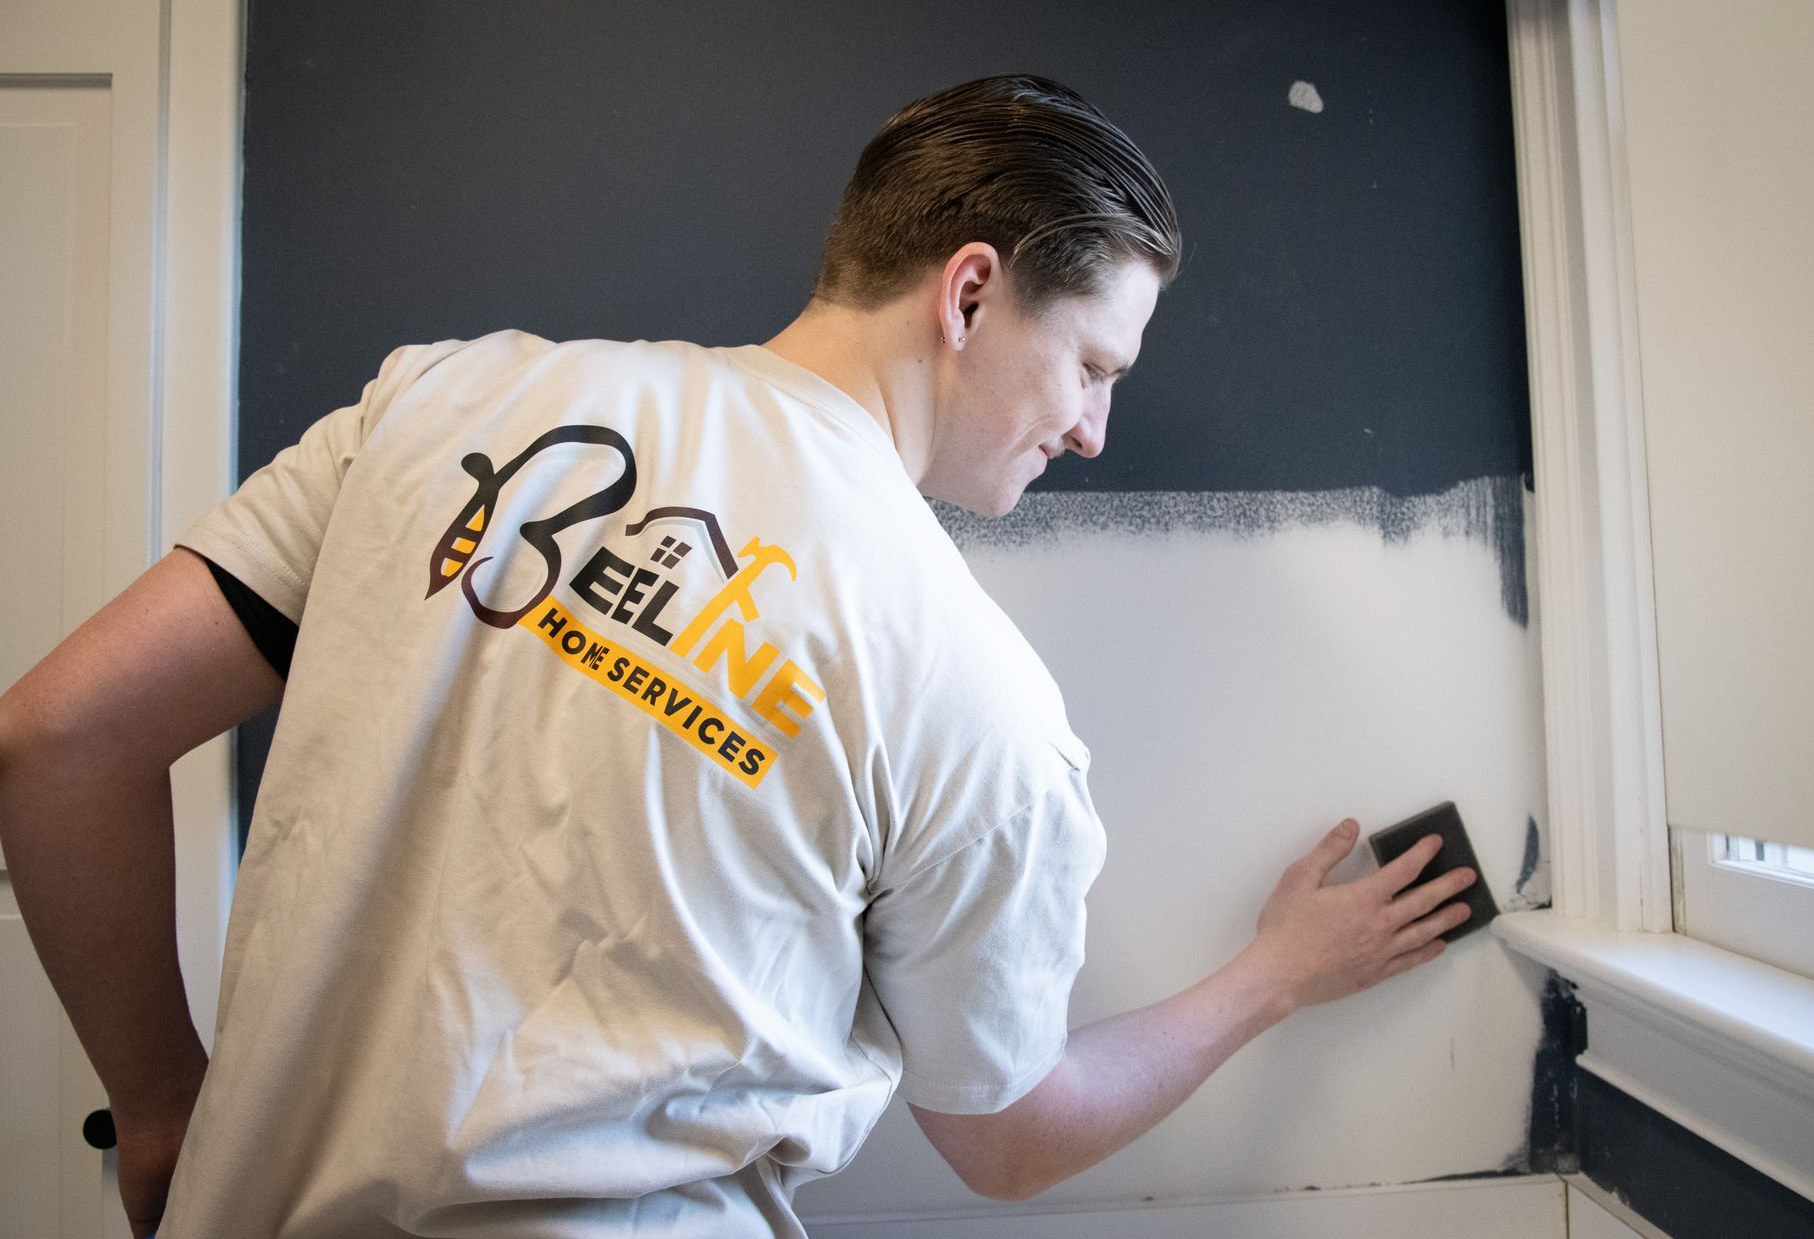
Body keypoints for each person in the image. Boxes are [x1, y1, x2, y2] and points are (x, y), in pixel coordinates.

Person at [0, 75, 1477, 1238]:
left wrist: (161, 1111)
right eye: (1093, 363)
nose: (1093, 429)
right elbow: (1012, 1140)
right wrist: (1273, 978)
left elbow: (56, 742)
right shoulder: (978, 699)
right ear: (969, 293)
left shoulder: (442, 404)